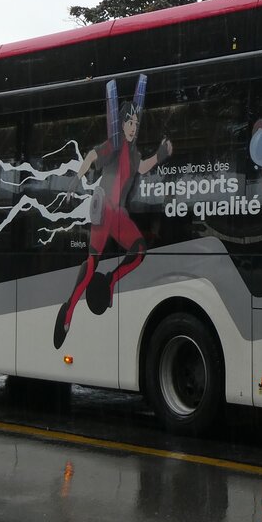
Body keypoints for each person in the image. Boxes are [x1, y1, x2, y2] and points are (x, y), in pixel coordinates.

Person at [53, 100, 172, 349]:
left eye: (136, 123)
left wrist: (159, 155)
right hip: (104, 208)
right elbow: (91, 156)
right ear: (122, 124)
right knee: (93, 261)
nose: (133, 127)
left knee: (139, 249)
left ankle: (110, 281)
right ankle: (68, 310)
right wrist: (75, 181)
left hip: (118, 213)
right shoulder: (114, 145)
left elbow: (142, 167)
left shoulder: (133, 152)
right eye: (130, 122)